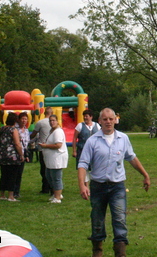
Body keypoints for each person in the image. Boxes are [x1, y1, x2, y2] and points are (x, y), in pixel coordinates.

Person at [78, 108, 150, 257]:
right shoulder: (93, 141)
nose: (108, 122)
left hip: (117, 187)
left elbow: (131, 158)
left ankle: (120, 252)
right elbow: (83, 164)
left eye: (111, 119)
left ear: (115, 120)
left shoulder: (123, 138)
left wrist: (145, 175)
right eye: (105, 119)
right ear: (100, 121)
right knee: (97, 220)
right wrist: (82, 185)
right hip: (98, 186)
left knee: (119, 219)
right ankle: (97, 251)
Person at [0, 112, 25, 201]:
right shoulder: (13, 130)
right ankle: (11, 195)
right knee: (12, 175)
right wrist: (21, 154)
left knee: (4, 175)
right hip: (12, 156)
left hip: (2, 154)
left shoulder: (1, 129)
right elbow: (17, 143)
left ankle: (2, 194)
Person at [40, 114, 68, 204]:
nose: (52, 122)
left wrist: (46, 146)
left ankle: (58, 197)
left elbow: (58, 145)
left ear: (57, 121)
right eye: (50, 121)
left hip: (57, 158)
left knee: (56, 177)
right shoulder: (52, 131)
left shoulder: (58, 132)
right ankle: (56, 193)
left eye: (53, 120)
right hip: (50, 159)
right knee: (48, 176)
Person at [31, 107, 54, 194]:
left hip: (42, 148)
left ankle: (45, 187)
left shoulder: (40, 122)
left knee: (43, 169)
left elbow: (33, 134)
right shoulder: (55, 123)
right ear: (52, 113)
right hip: (52, 148)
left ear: (44, 113)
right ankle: (52, 188)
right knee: (51, 168)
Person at [14, 113, 30, 199]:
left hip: (23, 153)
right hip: (16, 153)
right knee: (15, 173)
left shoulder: (26, 130)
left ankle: (17, 191)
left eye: (25, 119)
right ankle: (12, 190)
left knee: (20, 173)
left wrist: (26, 154)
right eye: (22, 119)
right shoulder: (15, 129)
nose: (24, 121)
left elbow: (26, 143)